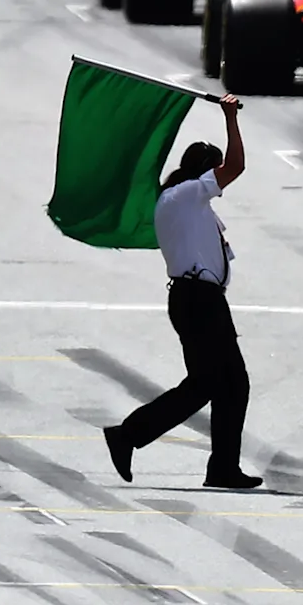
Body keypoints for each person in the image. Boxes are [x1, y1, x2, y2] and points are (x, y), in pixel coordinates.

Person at [104, 95, 261, 490]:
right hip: (198, 301)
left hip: (200, 301)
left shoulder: (186, 202)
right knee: (213, 383)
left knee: (227, 383)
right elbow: (237, 166)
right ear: (202, 172)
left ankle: (221, 467)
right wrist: (229, 117)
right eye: (214, 171)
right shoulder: (186, 195)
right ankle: (129, 434)